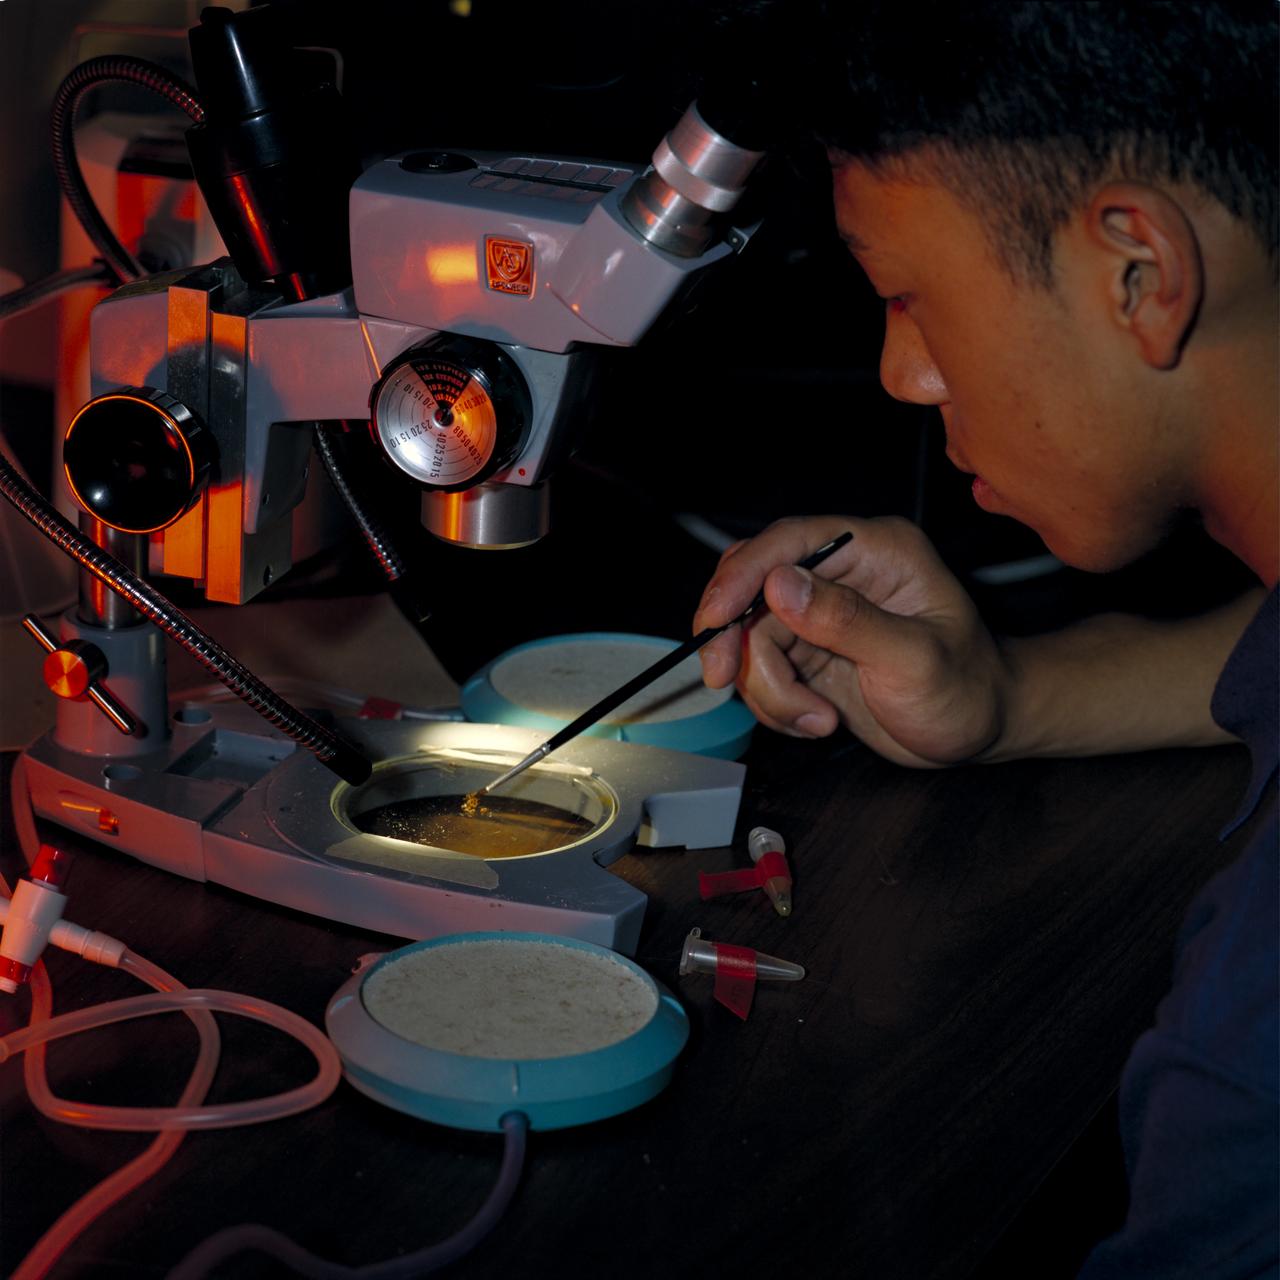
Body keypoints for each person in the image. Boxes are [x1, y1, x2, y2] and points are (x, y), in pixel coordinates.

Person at [694, 3, 1277, 1275]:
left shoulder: (1249, 1049)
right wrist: (1006, 693)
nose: (900, 373)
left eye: (903, 296)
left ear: (1136, 271)